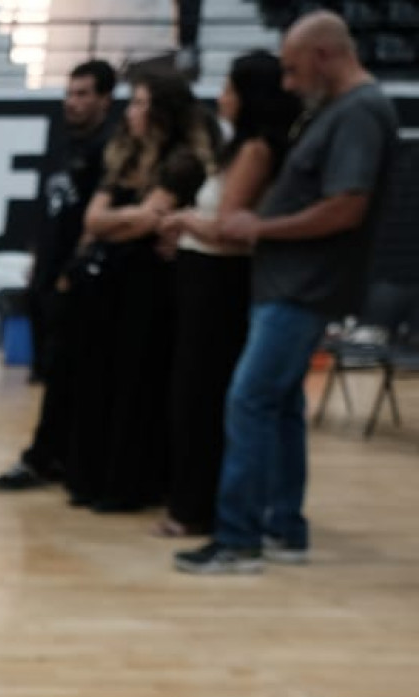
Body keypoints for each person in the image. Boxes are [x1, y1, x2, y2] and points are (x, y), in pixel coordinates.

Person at [176, 12, 399, 574]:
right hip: (288, 282)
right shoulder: (337, 110)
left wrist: (260, 227)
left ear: (325, 55)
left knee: (249, 401)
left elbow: (346, 207)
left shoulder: (360, 112)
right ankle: (283, 527)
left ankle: (238, 538)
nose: (290, 85)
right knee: (279, 408)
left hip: (303, 287)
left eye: (296, 71)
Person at [154, 52, 296, 539]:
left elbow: (228, 228)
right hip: (202, 279)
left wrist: (178, 220)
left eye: (230, 90)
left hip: (220, 284)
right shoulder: (239, 147)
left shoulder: (257, 148)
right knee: (189, 395)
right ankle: (192, 503)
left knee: (201, 398)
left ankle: (198, 509)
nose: (222, 98)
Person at [60, 67, 212, 513]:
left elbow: (146, 222)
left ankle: (127, 484)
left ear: (163, 111)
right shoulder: (125, 157)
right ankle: (88, 477)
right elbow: (97, 220)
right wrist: (130, 223)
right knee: (98, 380)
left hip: (150, 287)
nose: (133, 112)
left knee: (136, 382)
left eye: (142, 103)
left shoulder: (182, 161)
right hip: (109, 284)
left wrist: (123, 224)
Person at [0, 60, 117, 491]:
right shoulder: (66, 146)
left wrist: (70, 272)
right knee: (52, 374)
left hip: (80, 282)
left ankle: (49, 457)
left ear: (105, 99)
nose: (73, 102)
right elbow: (53, 214)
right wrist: (38, 262)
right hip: (47, 275)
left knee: (70, 374)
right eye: (70, 93)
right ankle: (55, 455)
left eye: (84, 94)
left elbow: (94, 222)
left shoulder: (108, 150)